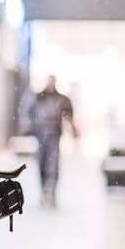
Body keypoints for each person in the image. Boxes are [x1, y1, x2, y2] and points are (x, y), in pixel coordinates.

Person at [28, 75, 78, 207]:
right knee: (42, 163)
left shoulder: (61, 99)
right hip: (41, 136)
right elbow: (29, 113)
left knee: (53, 164)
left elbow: (69, 113)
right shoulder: (39, 98)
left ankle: (53, 190)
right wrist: (31, 128)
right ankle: (43, 190)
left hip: (54, 136)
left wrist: (71, 128)